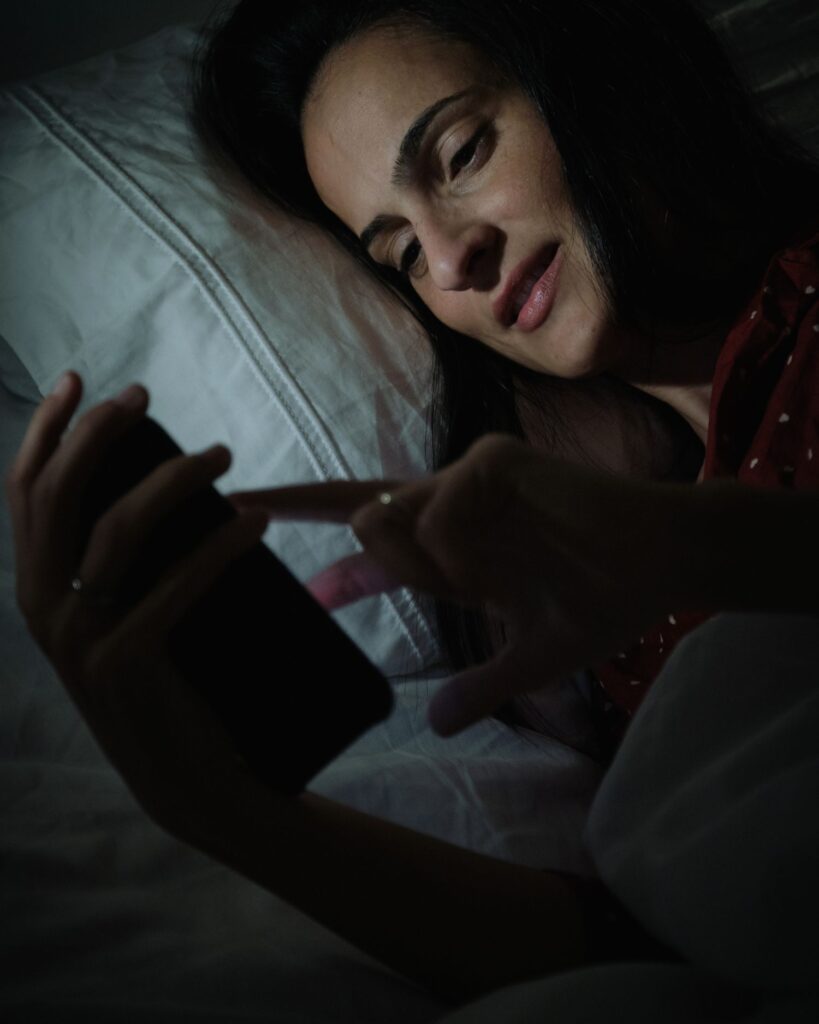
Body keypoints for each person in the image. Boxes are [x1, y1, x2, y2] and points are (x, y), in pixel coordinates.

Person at [6, 0, 819, 1010]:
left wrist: (709, 547)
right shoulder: (600, 591)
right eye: (397, 252)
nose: (448, 261)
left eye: (462, 152)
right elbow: (639, 951)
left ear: (600, 64)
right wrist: (226, 814)